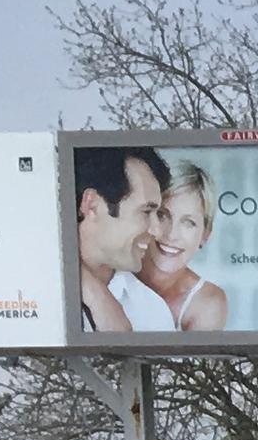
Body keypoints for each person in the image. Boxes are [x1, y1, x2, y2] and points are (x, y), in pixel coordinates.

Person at [71, 143, 173, 335]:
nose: (157, 231)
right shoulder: (27, 296)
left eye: (157, 213)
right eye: (146, 211)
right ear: (92, 204)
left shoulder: (151, 311)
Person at [139, 162, 231, 333]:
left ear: (205, 235)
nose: (172, 234)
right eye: (162, 215)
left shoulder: (207, 302)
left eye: (189, 223)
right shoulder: (116, 270)